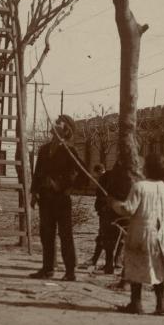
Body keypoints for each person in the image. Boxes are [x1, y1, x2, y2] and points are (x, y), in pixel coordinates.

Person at [109, 154, 164, 316]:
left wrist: (114, 203)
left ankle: (136, 303)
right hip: (161, 235)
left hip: (140, 233)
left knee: (136, 265)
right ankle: (161, 304)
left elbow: (128, 209)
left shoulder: (139, 186)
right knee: (158, 268)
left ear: (147, 169)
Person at [29, 114, 82, 281]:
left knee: (65, 235)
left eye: (59, 122)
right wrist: (34, 193)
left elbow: (83, 172)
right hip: (45, 198)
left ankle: (70, 271)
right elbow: (37, 173)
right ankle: (47, 269)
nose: (55, 123)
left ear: (66, 129)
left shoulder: (70, 150)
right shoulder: (44, 149)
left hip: (61, 199)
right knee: (46, 234)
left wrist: (68, 188)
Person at [87, 164, 107, 268]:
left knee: (102, 235)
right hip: (105, 209)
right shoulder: (105, 178)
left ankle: (95, 259)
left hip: (105, 210)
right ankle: (114, 262)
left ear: (99, 171)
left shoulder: (104, 179)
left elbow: (101, 196)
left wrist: (100, 207)